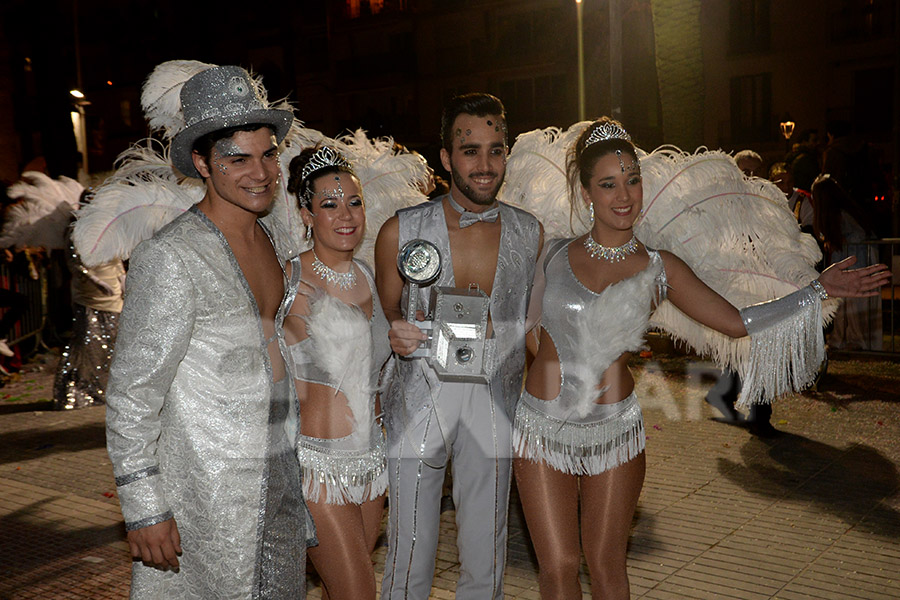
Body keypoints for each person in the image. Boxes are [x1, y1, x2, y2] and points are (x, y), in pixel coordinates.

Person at [512, 117, 890, 599]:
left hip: (613, 432)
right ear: (586, 193)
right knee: (559, 568)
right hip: (541, 429)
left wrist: (816, 290)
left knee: (606, 566)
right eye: (607, 184)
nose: (623, 195)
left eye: (631, 180)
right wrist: (549, 372)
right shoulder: (551, 253)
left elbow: (736, 321)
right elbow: (525, 327)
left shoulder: (660, 267)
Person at [105, 64, 314, 598]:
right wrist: (144, 506)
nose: (261, 172)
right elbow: (132, 395)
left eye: (268, 154)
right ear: (201, 162)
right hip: (209, 490)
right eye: (237, 158)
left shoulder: (271, 237)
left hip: (282, 473)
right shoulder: (170, 256)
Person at [374, 92, 543, 599]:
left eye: (496, 150)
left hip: (495, 398)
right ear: (447, 157)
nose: (485, 164)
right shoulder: (400, 230)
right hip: (419, 394)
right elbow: (384, 312)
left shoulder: (530, 232)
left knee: (486, 548)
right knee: (409, 546)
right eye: (470, 150)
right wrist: (395, 330)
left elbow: (535, 329)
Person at [283, 145, 389, 600]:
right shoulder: (288, 280)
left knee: (338, 592)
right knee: (360, 593)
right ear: (306, 214)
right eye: (329, 204)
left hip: (373, 464)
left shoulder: (373, 275)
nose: (345, 214)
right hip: (317, 467)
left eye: (354, 202)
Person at [53, 216, 125, 410]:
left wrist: (123, 279)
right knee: (87, 341)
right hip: (89, 294)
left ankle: (102, 388)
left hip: (113, 293)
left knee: (110, 340)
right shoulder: (76, 230)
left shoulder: (111, 228)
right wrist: (95, 280)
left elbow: (117, 259)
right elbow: (74, 262)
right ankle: (76, 390)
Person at [812, 174, 882, 350]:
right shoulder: (842, 213)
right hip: (850, 260)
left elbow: (859, 236)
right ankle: (843, 337)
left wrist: (843, 241)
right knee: (844, 302)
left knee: (853, 302)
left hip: (855, 261)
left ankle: (855, 340)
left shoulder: (842, 215)